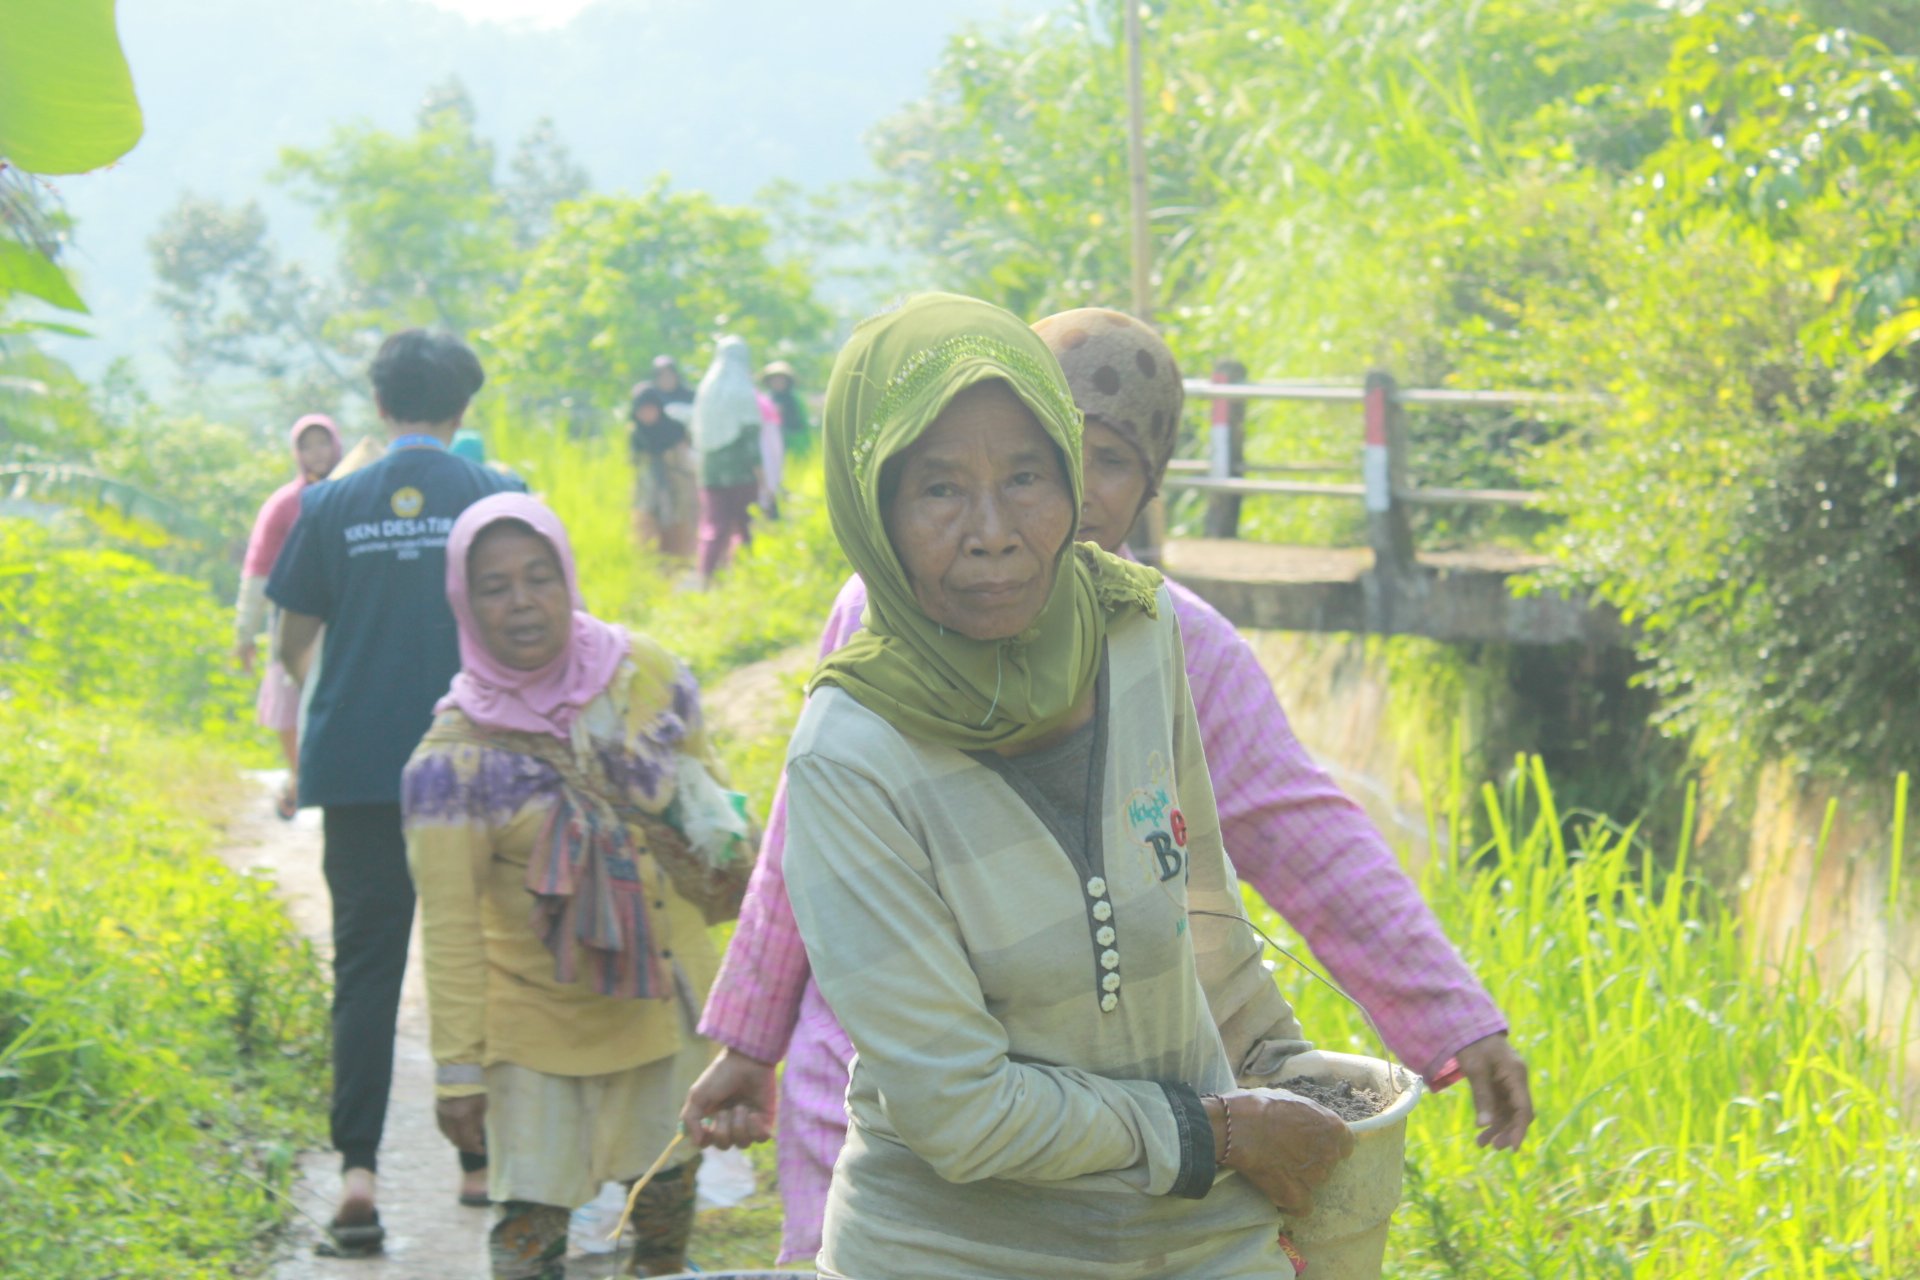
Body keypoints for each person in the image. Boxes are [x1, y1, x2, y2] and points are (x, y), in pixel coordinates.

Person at [684, 306, 1535, 1267]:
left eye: (1066, 468)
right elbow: (809, 854)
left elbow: (1275, 853)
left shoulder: (1155, 633)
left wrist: (1434, 1025)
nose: (1006, 527)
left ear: (1147, 488)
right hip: (914, 1148)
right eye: (944, 485)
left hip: (1169, 1191)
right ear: (879, 503)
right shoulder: (874, 664)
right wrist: (750, 1040)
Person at [402, 493, 730, 1279]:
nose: (522, 603)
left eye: (539, 577)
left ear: (568, 576)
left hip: (661, 1002)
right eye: (495, 586)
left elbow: (714, 805)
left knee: (663, 1222)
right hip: (536, 1030)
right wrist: (457, 1072)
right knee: (529, 1238)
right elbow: (447, 928)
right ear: (464, 601)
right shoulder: (450, 764)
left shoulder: (646, 674)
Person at [268, 330, 526, 1255]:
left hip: (363, 768)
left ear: (380, 407)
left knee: (367, 975)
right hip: (483, 765)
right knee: (496, 958)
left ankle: (359, 1180)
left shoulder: (331, 503)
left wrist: (340, 679)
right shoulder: (500, 496)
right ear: (463, 408)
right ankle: (484, 1167)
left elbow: (293, 640)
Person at [235, 412, 342, 820]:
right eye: (307, 445)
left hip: (340, 619)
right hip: (294, 619)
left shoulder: (353, 492)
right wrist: (244, 634)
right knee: (288, 697)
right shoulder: (283, 505)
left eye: (323, 443)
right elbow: (258, 569)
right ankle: (300, 776)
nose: (317, 453)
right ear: (297, 453)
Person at [690, 336, 773, 587]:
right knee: (745, 525)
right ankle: (748, 578)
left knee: (713, 525)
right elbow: (750, 442)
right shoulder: (743, 392)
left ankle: (706, 576)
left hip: (710, 473)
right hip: (741, 474)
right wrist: (763, 478)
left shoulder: (707, 389)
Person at [629, 357, 698, 560]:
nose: (647, 414)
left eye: (651, 409)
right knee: (648, 528)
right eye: (642, 410)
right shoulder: (636, 434)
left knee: (679, 529)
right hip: (649, 489)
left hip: (678, 486)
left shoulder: (675, 429)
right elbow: (635, 463)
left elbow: (688, 457)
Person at [761, 360, 812, 459]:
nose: (778, 382)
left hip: (797, 443)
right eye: (774, 380)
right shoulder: (767, 401)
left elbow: (802, 423)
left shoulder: (796, 399)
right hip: (774, 444)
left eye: (781, 379)